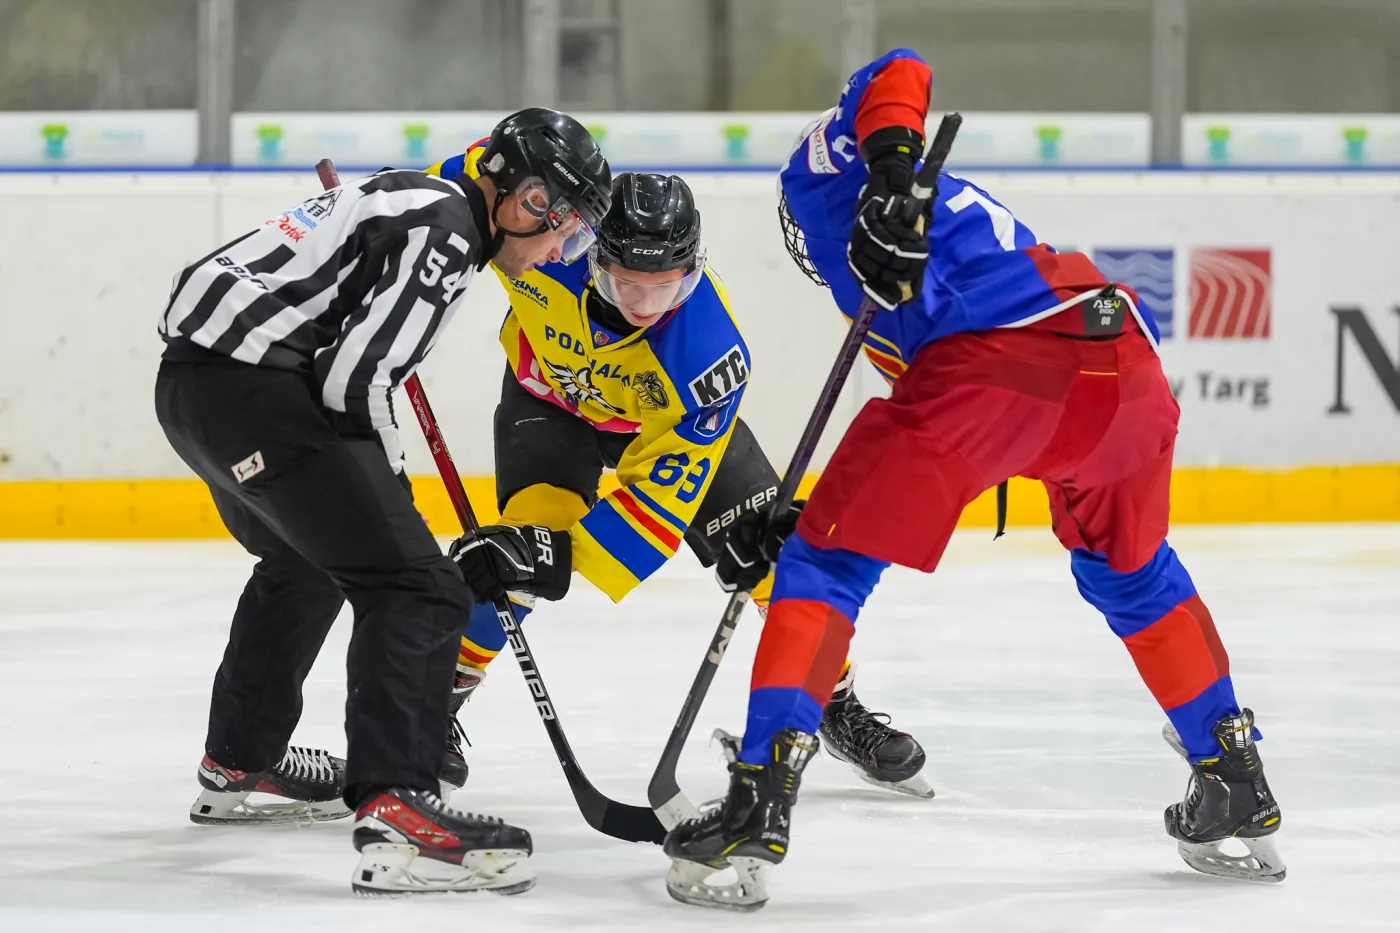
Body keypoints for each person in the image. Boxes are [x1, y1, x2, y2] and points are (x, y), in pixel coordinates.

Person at [662, 49, 1284, 912]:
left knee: (821, 570)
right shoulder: (921, 264)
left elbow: (899, 69)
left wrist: (881, 175)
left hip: (1000, 365)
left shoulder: (821, 183)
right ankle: (1234, 773)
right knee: (1133, 572)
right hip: (1118, 358)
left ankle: (758, 795)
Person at [156, 108, 611, 895]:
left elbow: (343, 369)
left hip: (196, 391)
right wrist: (395, 499)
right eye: (552, 215)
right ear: (510, 191)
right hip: (257, 390)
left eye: (570, 229)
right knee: (420, 587)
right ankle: (400, 805)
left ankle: (240, 759)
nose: (554, 244)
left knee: (306, 560)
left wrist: (382, 491)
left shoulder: (421, 202)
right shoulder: (448, 233)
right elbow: (351, 383)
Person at [424, 150, 933, 800]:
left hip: (667, 429)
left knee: (774, 562)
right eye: (625, 283)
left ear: (693, 271)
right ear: (589, 252)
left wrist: (567, 555)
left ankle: (833, 702)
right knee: (519, 551)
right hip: (549, 403)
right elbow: (460, 184)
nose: (644, 303)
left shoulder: (708, 356)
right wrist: (381, 236)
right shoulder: (544, 247)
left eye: (666, 286)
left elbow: (654, 506)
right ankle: (437, 705)